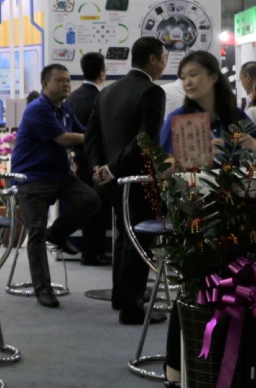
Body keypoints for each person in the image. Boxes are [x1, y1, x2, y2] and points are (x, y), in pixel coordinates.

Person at [158, 50, 256, 383]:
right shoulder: (179, 119)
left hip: (234, 215)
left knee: (234, 290)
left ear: (213, 76)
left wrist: (250, 143)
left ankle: (226, 368)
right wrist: (192, 154)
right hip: (196, 217)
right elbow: (162, 167)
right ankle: (176, 371)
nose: (187, 82)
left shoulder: (235, 116)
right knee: (195, 290)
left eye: (193, 74)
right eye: (183, 76)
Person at [85, 37, 167, 324]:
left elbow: (91, 135)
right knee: (139, 238)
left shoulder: (107, 92)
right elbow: (145, 140)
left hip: (110, 180)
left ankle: (120, 296)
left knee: (124, 234)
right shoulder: (152, 91)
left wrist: (99, 167)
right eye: (164, 57)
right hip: (137, 177)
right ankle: (132, 307)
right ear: (153, 59)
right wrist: (112, 168)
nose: (165, 63)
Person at [10, 63, 101, 308]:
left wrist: (97, 138)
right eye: (60, 80)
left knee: (91, 200)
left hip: (58, 175)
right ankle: (43, 289)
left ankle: (58, 233)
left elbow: (82, 132)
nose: (66, 84)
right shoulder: (37, 109)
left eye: (68, 80)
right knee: (36, 232)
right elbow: (64, 138)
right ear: (45, 84)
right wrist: (93, 138)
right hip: (31, 179)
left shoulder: (64, 108)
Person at [66, 52, 110, 267]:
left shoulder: (72, 98)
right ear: (102, 73)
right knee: (98, 207)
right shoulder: (103, 98)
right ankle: (94, 252)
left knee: (86, 206)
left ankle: (88, 251)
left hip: (76, 161)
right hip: (98, 160)